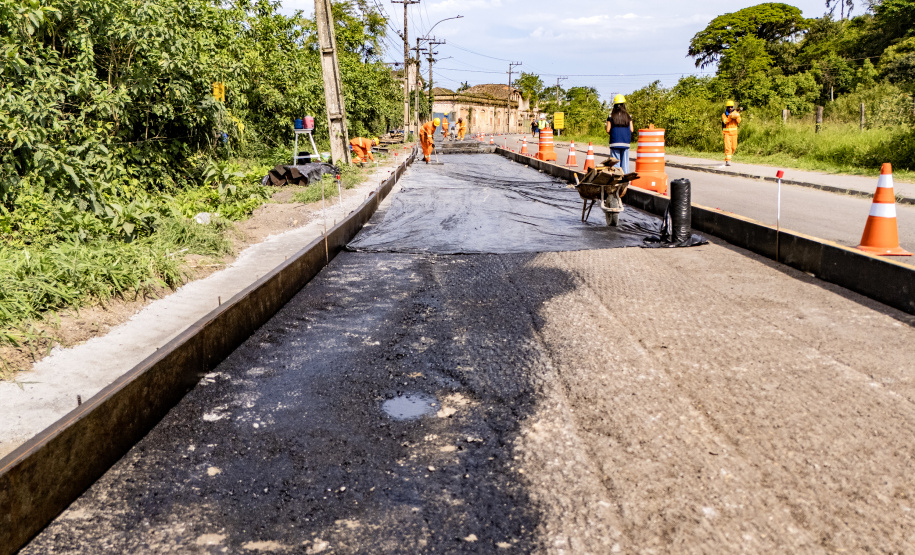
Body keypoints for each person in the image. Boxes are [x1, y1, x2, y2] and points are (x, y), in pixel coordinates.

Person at [605, 94, 634, 173]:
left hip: (614, 142)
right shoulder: (628, 116)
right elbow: (631, 129)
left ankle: (616, 181)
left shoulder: (611, 116)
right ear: (623, 105)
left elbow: (608, 130)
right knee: (625, 163)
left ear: (614, 105)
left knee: (615, 163)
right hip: (625, 143)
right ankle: (625, 182)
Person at [722, 100, 741, 166]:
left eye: (731, 107)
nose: (730, 108)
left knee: (733, 147)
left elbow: (739, 121)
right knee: (728, 147)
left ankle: (729, 157)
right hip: (726, 133)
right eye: (729, 107)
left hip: (734, 133)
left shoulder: (735, 113)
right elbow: (725, 121)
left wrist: (736, 116)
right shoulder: (724, 114)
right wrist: (730, 117)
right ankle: (728, 160)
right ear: (727, 107)